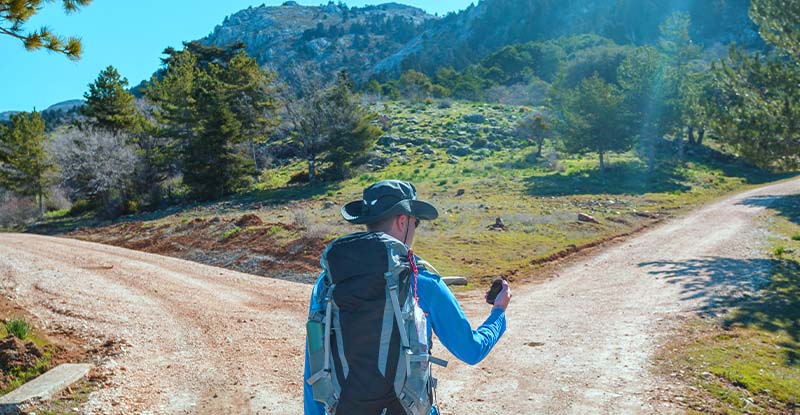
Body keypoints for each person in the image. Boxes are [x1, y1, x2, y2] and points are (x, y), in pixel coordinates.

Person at [303, 179, 511, 415]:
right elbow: (471, 350)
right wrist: (498, 312)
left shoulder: (327, 283)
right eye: (417, 222)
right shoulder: (422, 282)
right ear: (403, 221)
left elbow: (315, 365)